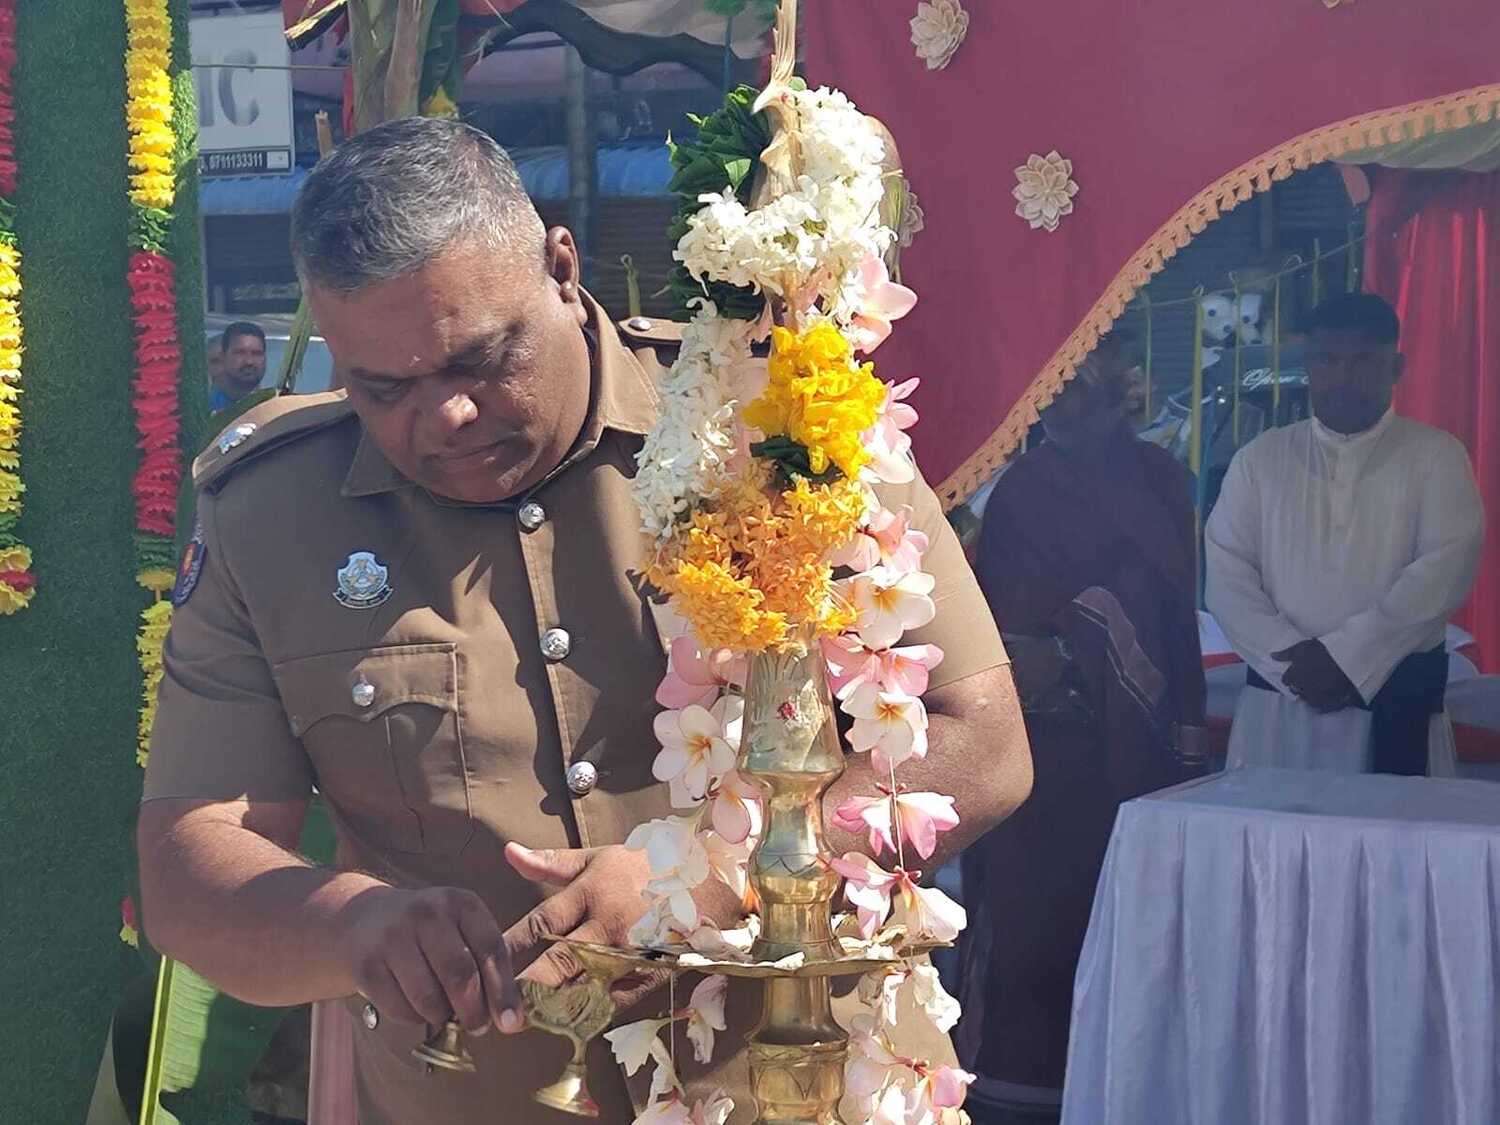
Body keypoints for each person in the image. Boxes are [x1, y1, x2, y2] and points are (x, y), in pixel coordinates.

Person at [136, 116, 1032, 1124]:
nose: (446, 416)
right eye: (384, 388)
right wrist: (353, 925)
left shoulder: (777, 417)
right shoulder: (272, 514)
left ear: (563, 269)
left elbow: (983, 742)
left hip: (804, 1085)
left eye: (482, 358)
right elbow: (188, 864)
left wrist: (715, 879)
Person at [959, 332, 1207, 1124]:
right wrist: (1033, 659)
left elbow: (1165, 607)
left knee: (1126, 927)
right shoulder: (1021, 487)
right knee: (1027, 935)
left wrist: (1077, 643)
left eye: (1085, 386)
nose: (1066, 404)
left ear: (1123, 390)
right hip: (1034, 753)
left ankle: (1120, 1093)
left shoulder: (1160, 479)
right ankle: (1011, 1101)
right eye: (1056, 389)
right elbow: (995, 619)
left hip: (1129, 755)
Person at [1206, 293, 1484, 776]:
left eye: (1362, 362)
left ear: (1395, 368)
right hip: (1283, 702)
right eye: (1328, 360)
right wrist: (1291, 663)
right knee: (1271, 824)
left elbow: (1443, 572)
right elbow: (1227, 575)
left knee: (1394, 825)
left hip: (1393, 701)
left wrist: (1349, 659)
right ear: (1309, 366)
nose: (1342, 377)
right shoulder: (1261, 459)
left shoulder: (1436, 456)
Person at [212, 321, 268, 411]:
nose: (249, 361)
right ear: (223, 356)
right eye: (240, 353)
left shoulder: (278, 409)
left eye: (257, 353)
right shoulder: (201, 409)